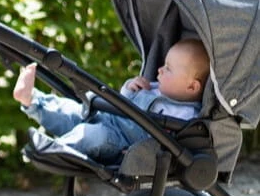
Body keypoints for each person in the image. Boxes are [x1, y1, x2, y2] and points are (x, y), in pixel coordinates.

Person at [13, 38, 210, 163]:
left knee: (89, 135)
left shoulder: (186, 115)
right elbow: (125, 98)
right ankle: (33, 99)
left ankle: (53, 149)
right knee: (68, 110)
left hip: (120, 140)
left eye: (168, 68)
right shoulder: (156, 87)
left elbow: (170, 146)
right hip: (107, 114)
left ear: (191, 87)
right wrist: (130, 87)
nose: (159, 70)